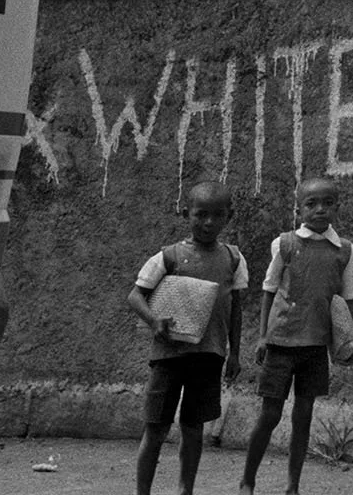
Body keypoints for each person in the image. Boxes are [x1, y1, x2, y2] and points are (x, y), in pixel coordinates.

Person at [240, 177, 353, 495]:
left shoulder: (345, 251)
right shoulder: (284, 244)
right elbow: (269, 290)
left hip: (315, 346)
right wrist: (263, 336)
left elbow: (350, 297)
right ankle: (247, 481)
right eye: (311, 204)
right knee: (269, 415)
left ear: (337, 207)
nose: (320, 209)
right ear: (299, 210)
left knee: (304, 416)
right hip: (281, 343)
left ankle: (292, 486)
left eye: (327, 203)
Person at [127, 180, 248, 495]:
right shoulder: (168, 257)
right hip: (169, 356)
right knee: (155, 428)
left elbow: (235, 310)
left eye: (217, 215)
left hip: (209, 356)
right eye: (200, 214)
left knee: (193, 428)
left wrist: (234, 353)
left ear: (229, 216)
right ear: (186, 213)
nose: (208, 222)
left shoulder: (233, 259)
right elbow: (135, 296)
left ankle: (186, 490)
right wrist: (154, 321)